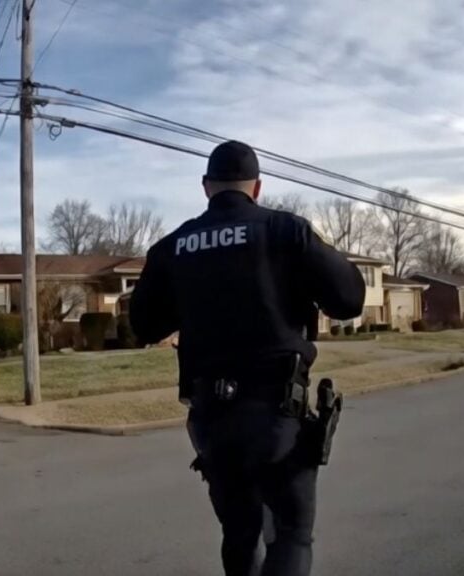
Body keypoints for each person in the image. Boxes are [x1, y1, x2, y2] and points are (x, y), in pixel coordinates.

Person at [129, 140, 365, 576]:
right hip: (277, 416)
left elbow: (142, 325)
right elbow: (349, 299)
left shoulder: (173, 246)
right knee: (291, 534)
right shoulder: (285, 232)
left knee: (239, 533)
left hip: (211, 421)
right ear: (257, 188)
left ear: (206, 187)